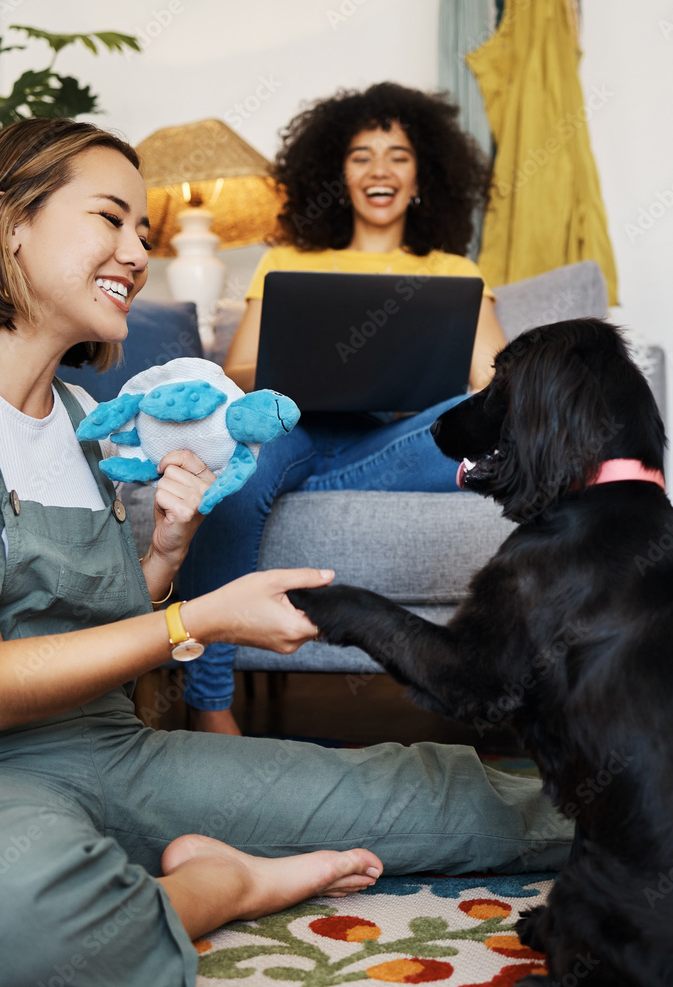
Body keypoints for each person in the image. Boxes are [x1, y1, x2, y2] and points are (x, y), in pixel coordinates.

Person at [0, 117, 570, 987]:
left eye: (143, 229)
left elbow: (92, 635)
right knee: (22, 927)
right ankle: (222, 881)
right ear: (5, 220)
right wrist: (197, 616)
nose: (137, 251)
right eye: (109, 218)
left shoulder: (78, 421)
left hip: (110, 749)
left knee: (439, 798)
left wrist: (167, 550)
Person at [178, 82, 506, 734]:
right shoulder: (288, 260)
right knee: (241, 461)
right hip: (295, 427)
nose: (380, 169)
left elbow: (497, 391)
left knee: (487, 427)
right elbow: (238, 373)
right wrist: (308, 366)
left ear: (423, 175)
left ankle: (306, 487)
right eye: (361, 156)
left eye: (398, 155)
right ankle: (208, 702)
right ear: (337, 173)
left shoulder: (454, 272)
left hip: (402, 438)